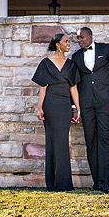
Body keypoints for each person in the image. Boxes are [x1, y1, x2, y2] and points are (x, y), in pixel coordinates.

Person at [71, 26, 109, 192]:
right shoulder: (76, 56)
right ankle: (96, 182)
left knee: (104, 139)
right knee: (91, 141)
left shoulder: (106, 49)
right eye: (77, 38)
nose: (79, 41)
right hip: (86, 103)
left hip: (105, 102)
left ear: (90, 36)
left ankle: (106, 182)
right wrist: (75, 107)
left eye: (81, 38)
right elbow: (75, 83)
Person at [31, 32, 81, 191]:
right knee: (52, 142)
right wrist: (39, 108)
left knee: (62, 142)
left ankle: (63, 182)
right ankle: (52, 182)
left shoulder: (71, 64)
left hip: (65, 106)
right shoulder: (46, 63)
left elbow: (74, 89)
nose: (69, 44)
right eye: (66, 41)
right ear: (58, 44)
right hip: (50, 105)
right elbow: (43, 88)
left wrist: (77, 109)